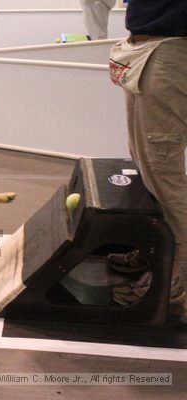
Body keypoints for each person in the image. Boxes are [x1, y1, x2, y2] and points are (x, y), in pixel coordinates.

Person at [108, 0, 187, 323]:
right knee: (147, 164)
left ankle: (173, 279)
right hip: (150, 51)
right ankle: (158, 252)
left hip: (168, 51)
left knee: (163, 174)